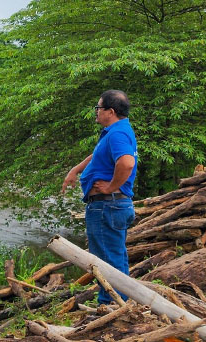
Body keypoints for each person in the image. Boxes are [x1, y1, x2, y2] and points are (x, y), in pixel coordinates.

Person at [61, 90, 138, 304]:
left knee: (106, 262)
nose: (96, 112)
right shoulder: (116, 131)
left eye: (98, 108)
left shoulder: (117, 134)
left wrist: (111, 187)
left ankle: (110, 306)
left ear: (110, 111)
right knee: (115, 257)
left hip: (107, 205)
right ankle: (120, 303)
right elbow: (98, 155)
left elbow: (127, 163)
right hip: (111, 206)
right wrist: (75, 170)